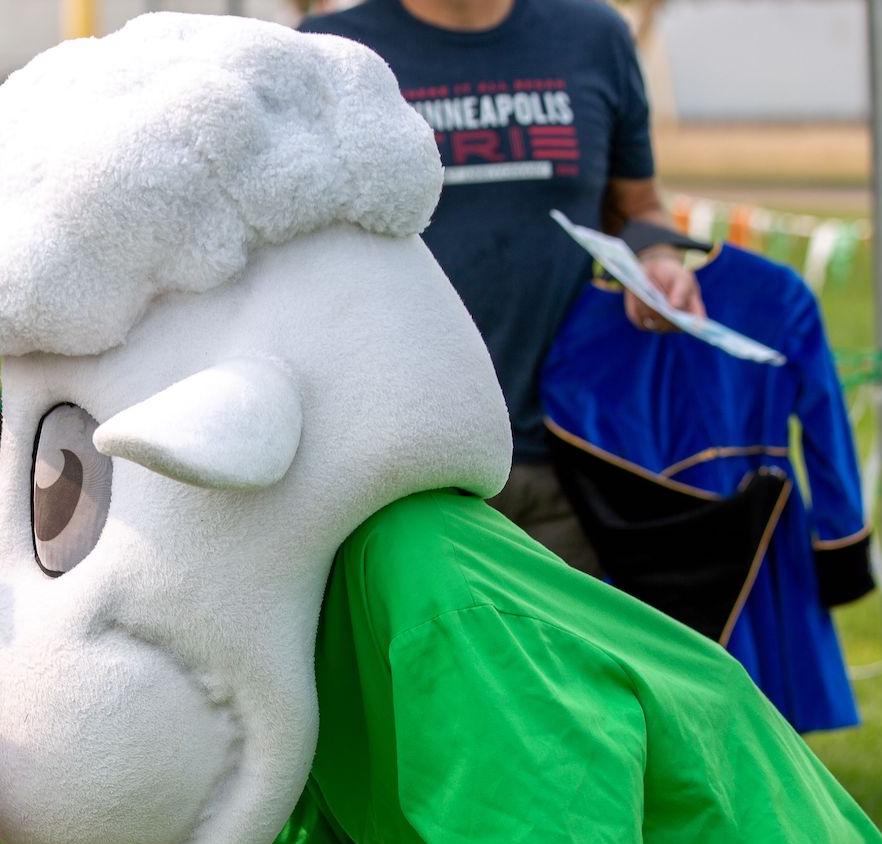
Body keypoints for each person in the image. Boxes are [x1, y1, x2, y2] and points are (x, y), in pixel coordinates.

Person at [301, 0, 706, 574]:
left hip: (571, 460)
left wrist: (657, 258)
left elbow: (639, 206)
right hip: (401, 474)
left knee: (566, 665)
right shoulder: (327, 51)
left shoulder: (594, 37)